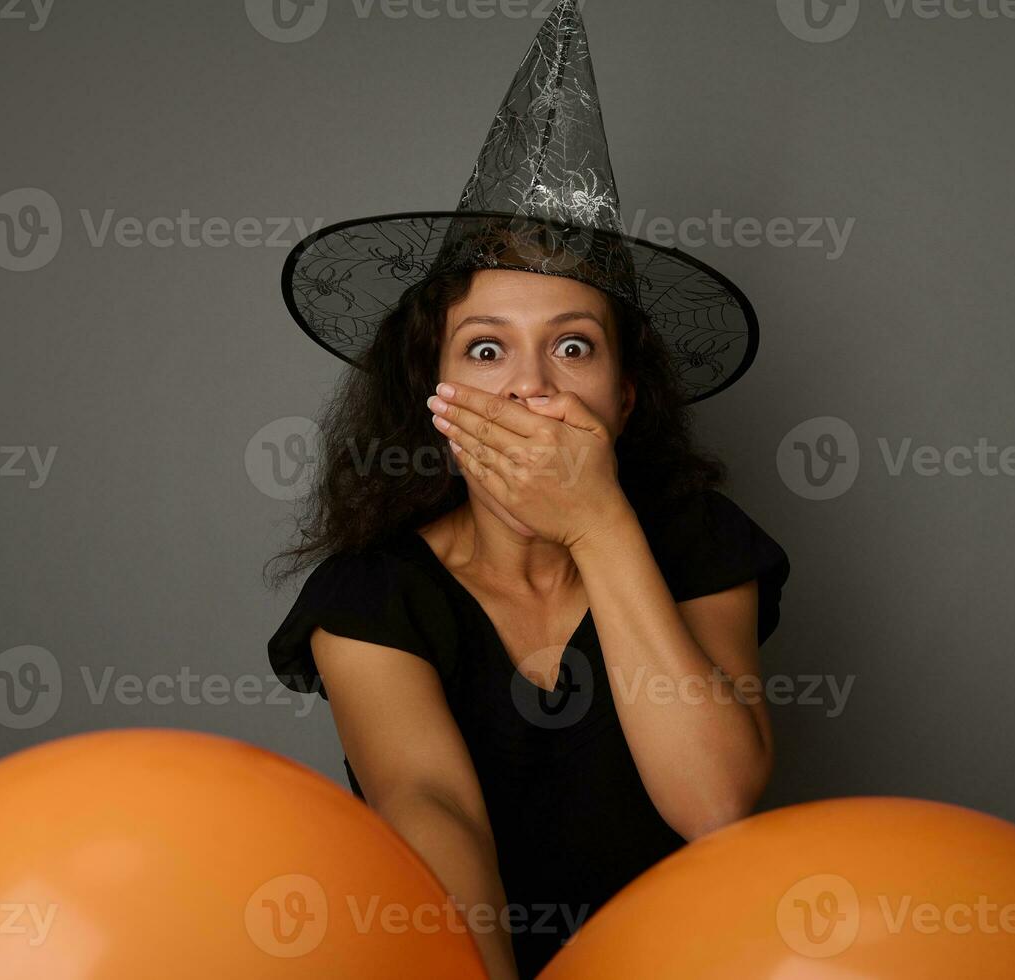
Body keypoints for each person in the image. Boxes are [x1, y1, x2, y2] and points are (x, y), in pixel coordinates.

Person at [266, 4, 788, 975]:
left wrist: (598, 524)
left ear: (625, 399)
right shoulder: (369, 595)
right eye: (488, 347)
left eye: (574, 346)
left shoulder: (705, 546)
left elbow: (715, 802)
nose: (532, 386)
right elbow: (434, 808)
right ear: (440, 394)